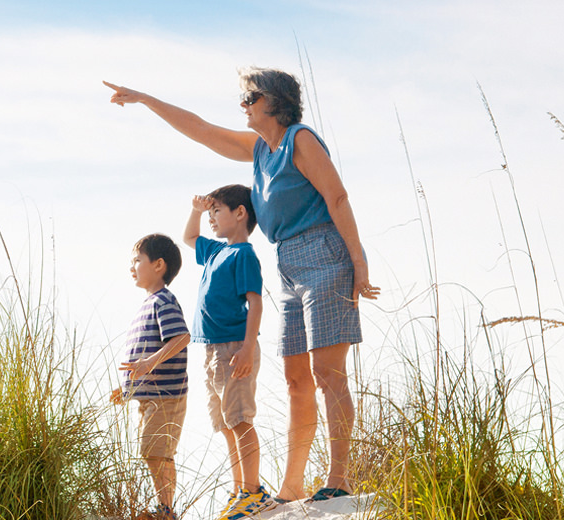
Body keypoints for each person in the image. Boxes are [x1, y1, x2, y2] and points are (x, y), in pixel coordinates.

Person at [107, 68, 380, 504]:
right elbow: (200, 129)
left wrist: (358, 260)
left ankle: (340, 477)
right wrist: (145, 99)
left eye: (249, 99)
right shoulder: (258, 150)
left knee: (327, 374)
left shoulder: (299, 141)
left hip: (325, 254)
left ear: (273, 102)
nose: (242, 107)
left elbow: (338, 197)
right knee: (296, 379)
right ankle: (293, 487)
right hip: (288, 261)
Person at [182, 185, 272, 519]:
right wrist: (196, 209)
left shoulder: (243, 255)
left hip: (235, 348)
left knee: (240, 420)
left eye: (216, 211)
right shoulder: (216, 251)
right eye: (209, 214)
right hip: (211, 349)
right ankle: (239, 490)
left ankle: (254, 492)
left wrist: (248, 348)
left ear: (240, 213)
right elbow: (189, 238)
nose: (210, 219)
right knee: (224, 423)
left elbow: (255, 302)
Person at [110, 233, 191, 520]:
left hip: (166, 396)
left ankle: (166, 511)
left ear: (158, 265)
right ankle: (164, 508)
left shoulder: (163, 301)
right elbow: (140, 358)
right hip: (149, 397)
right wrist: (127, 389)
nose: (132, 267)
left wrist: (150, 362)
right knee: (152, 451)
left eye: (137, 260)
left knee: (156, 451)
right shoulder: (146, 304)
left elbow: (181, 337)